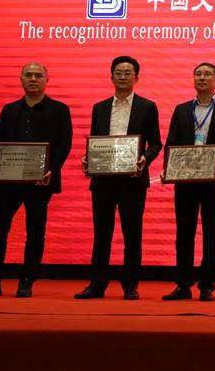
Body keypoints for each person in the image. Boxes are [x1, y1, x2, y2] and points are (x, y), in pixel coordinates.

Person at [0, 63, 73, 298]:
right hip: (7, 182)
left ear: (47, 80)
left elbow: (64, 145)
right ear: (21, 79)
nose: (33, 79)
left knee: (35, 234)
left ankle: (26, 282)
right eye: (28, 75)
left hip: (40, 183)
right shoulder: (10, 109)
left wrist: (52, 169)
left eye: (38, 75)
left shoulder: (59, 110)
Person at [76, 56, 162, 300]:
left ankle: (130, 285)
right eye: (118, 72)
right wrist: (88, 158)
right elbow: (95, 141)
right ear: (111, 77)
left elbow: (156, 143)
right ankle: (97, 284)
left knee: (132, 234)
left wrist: (145, 158)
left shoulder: (148, 107)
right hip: (103, 179)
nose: (123, 76)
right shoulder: (99, 107)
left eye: (128, 73)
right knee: (101, 233)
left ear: (137, 78)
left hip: (133, 179)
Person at [160, 62, 215, 302]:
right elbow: (171, 142)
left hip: (214, 180)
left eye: (207, 74)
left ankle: (207, 285)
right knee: (184, 234)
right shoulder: (181, 109)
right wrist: (169, 166)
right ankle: (183, 285)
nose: (202, 77)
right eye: (198, 74)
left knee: (211, 233)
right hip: (185, 180)